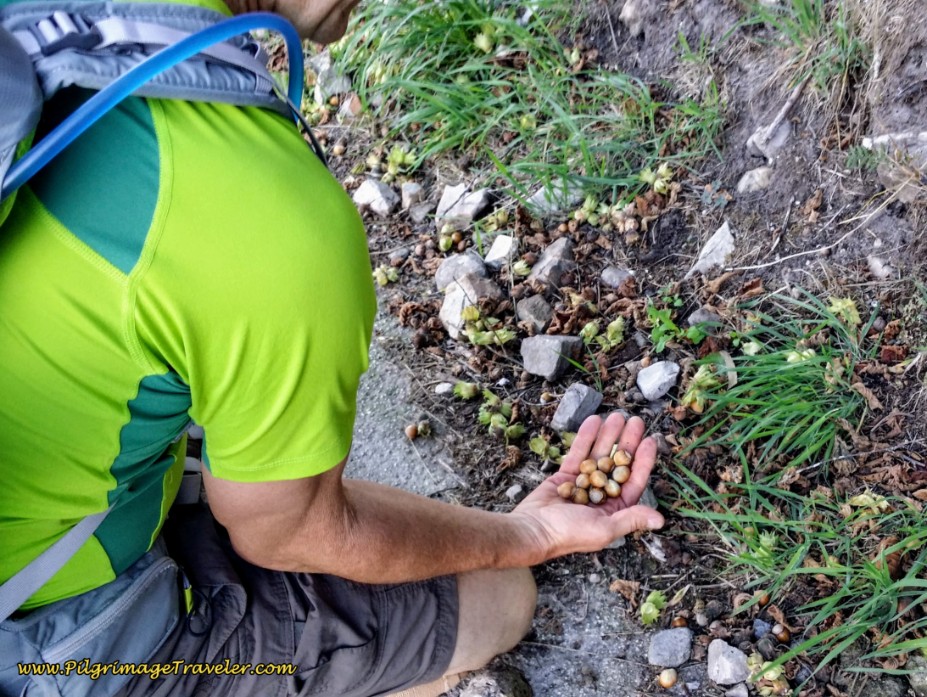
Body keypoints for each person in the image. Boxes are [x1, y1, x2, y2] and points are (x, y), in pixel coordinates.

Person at [0, 0, 666, 693]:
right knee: (498, 601)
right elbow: (288, 529)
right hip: (47, 634)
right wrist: (525, 538)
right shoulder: (266, 221)